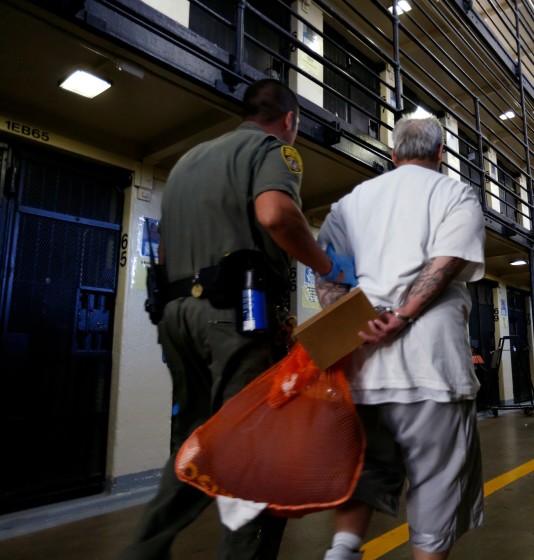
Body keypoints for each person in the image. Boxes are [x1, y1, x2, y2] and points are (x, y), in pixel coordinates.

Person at [119, 79, 356, 560]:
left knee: (194, 442)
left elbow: (163, 249)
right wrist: (328, 266)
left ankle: (143, 550)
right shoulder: (274, 151)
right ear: (289, 120)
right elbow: (275, 214)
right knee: (255, 447)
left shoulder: (188, 161)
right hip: (234, 318)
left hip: (175, 318)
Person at [315, 117, 486, 560]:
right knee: (436, 483)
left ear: (393, 155)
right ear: (440, 153)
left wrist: (353, 327)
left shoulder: (351, 202)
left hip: (362, 366)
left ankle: (343, 550)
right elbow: (447, 262)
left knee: (364, 468)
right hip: (432, 367)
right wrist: (403, 316)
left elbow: (328, 273)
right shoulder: (455, 194)